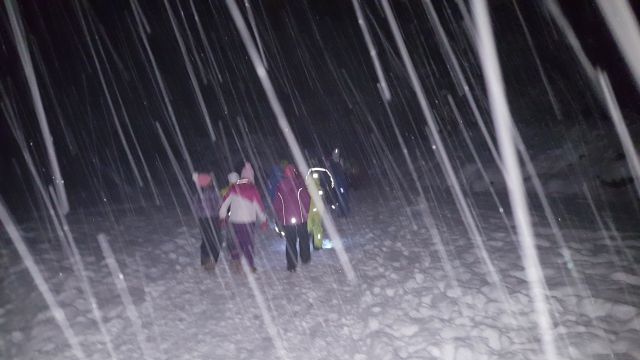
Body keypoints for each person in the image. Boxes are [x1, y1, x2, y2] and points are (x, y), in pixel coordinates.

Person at [219, 168, 267, 273]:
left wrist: (222, 217)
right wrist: (263, 220)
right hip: (249, 221)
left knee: (237, 241)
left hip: (235, 221)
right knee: (248, 243)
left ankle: (236, 261)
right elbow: (258, 206)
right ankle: (249, 265)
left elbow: (224, 205)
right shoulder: (253, 190)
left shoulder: (232, 189)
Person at [273, 164, 311, 272]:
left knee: (290, 242)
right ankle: (305, 258)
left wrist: (279, 216)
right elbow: (306, 200)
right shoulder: (300, 185)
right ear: (294, 173)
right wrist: (307, 211)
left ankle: (291, 265)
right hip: (301, 219)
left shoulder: (281, 187)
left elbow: (277, 204)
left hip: (287, 220)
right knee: (304, 239)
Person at [192, 172, 221, 271]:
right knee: (216, 239)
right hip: (213, 218)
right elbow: (218, 205)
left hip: (202, 220)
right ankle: (214, 259)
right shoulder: (213, 193)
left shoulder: (197, 194)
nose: (212, 182)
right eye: (210, 181)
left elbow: (195, 207)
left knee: (205, 239)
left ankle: (204, 260)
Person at [328, 149, 350, 216]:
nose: (336, 155)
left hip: (340, 180)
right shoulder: (331, 161)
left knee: (343, 196)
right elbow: (330, 170)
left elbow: (342, 169)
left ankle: (345, 211)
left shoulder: (339, 160)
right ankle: (342, 211)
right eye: (335, 153)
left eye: (337, 153)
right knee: (339, 196)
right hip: (336, 181)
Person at [307, 176, 324, 250]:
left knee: (308, 227)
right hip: (317, 211)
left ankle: (306, 245)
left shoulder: (307, 188)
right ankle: (317, 245)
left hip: (309, 211)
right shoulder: (320, 189)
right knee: (317, 228)